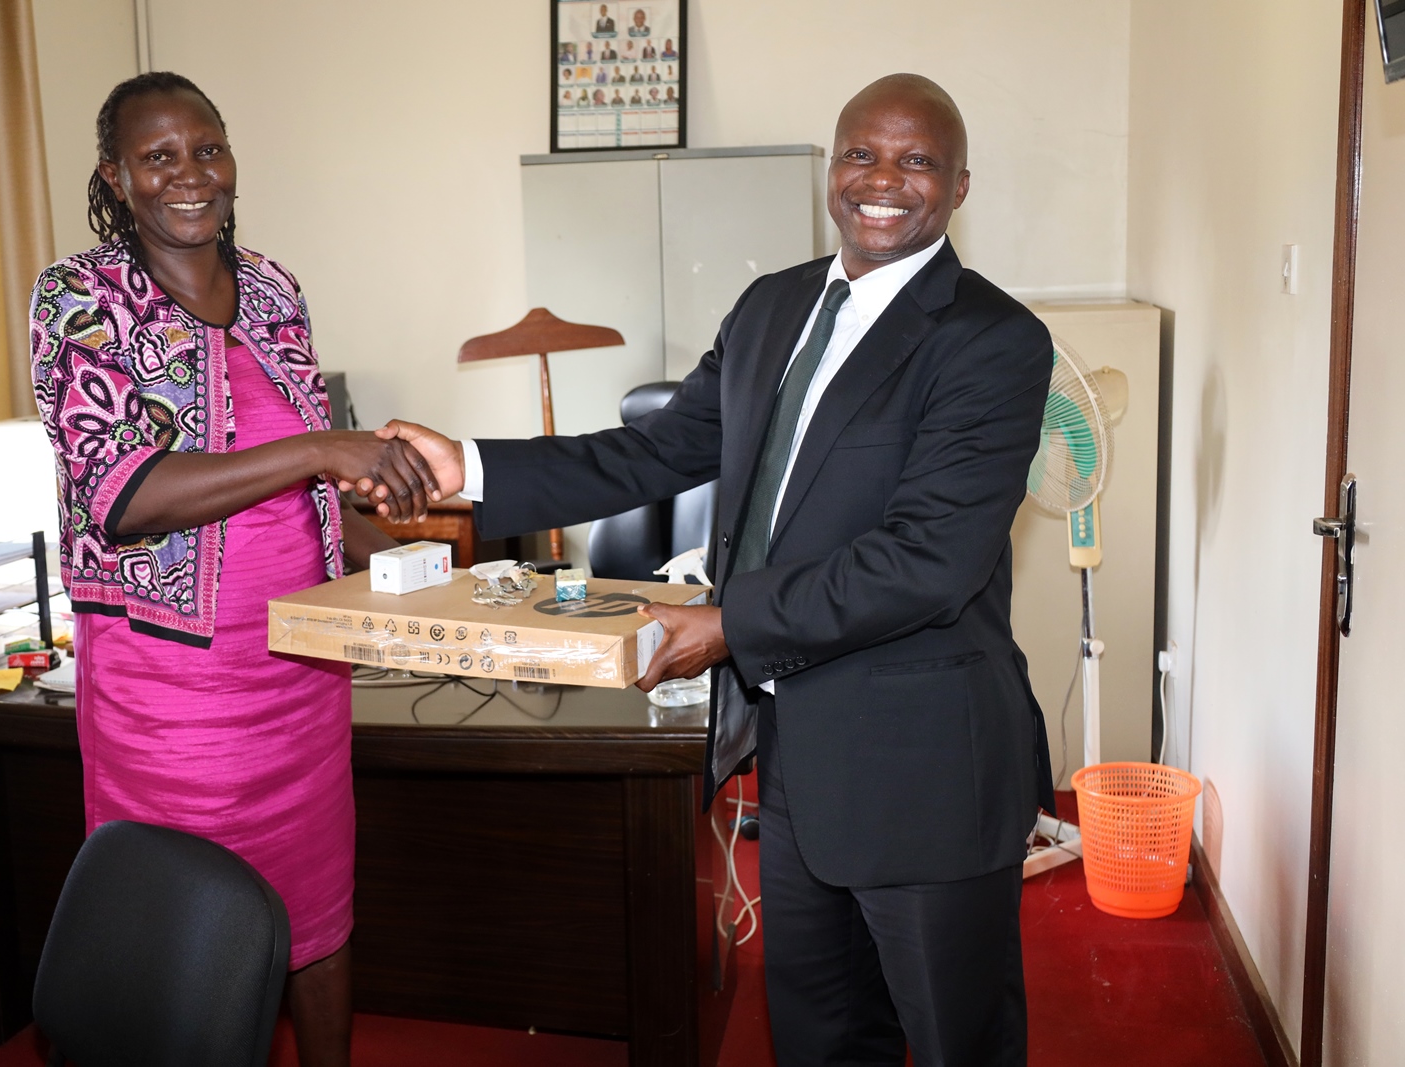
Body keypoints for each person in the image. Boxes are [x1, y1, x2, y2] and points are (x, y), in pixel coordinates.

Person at [381, 74, 1054, 1067]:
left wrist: (729, 620)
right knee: (822, 1037)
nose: (882, 179)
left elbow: (928, 561)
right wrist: (468, 468)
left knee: (959, 1039)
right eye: (862, 153)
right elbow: (645, 453)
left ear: (957, 188)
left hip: (928, 777)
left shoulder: (992, 341)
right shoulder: (773, 306)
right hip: (795, 768)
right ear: (833, 169)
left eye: (916, 161)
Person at [30, 72, 441, 1067]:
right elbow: (122, 494)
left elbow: (295, 488)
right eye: (159, 157)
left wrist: (405, 558)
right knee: (191, 921)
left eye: (206, 149)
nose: (189, 175)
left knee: (319, 907)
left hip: (300, 671)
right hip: (173, 693)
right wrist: (321, 450)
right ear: (116, 176)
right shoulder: (81, 296)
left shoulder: (271, 287)